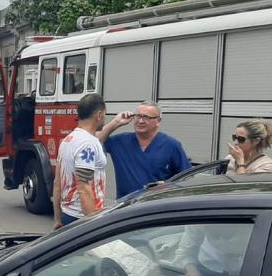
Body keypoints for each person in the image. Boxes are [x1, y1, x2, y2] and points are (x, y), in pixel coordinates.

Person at [96, 101, 191, 198]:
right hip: (125, 208)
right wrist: (116, 122)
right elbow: (94, 141)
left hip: (158, 207)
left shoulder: (171, 145)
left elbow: (188, 179)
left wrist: (169, 186)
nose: (140, 121)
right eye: (138, 116)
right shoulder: (120, 142)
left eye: (146, 117)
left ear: (158, 120)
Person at [53, 94, 107, 228]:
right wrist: (92, 228)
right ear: (99, 115)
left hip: (68, 215)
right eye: (105, 115)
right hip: (82, 217)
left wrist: (57, 219)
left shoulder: (68, 140)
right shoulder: (88, 144)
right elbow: (84, 189)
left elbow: (57, 184)